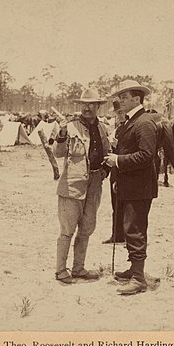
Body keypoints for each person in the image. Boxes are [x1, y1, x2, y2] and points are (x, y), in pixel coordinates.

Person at [104, 79, 159, 295]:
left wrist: (118, 160)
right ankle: (133, 269)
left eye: (124, 97)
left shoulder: (144, 123)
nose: (120, 101)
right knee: (130, 229)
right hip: (131, 185)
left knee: (135, 230)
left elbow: (146, 156)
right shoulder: (129, 122)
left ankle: (138, 279)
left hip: (140, 188)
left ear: (137, 99)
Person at [52, 88, 111, 284]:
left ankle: (78, 268)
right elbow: (58, 153)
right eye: (84, 104)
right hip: (72, 186)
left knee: (87, 228)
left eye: (92, 105)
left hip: (94, 185)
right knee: (67, 230)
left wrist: (105, 171)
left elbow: (107, 152)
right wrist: (61, 134)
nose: (87, 108)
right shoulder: (69, 127)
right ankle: (61, 270)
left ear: (97, 107)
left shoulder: (102, 128)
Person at [102, 97, 127, 244]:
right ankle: (117, 235)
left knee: (127, 206)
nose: (119, 116)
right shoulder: (118, 129)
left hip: (125, 171)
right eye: (118, 113)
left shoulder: (132, 127)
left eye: (121, 112)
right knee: (116, 204)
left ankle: (127, 237)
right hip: (116, 171)